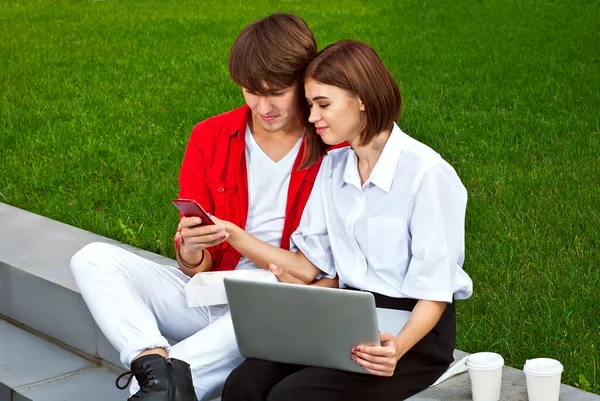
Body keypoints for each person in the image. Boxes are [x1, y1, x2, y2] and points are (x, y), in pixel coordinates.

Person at [69, 13, 334, 401]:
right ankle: (150, 357)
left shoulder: (332, 147)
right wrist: (191, 250)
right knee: (92, 258)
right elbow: (197, 266)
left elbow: (319, 270)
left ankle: (163, 380)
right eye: (250, 91)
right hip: (212, 291)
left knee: (159, 392)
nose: (263, 107)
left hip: (280, 298)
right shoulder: (209, 136)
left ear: (303, 81)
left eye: (276, 91)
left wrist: (240, 241)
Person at [213, 40, 473, 401]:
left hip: (412, 335)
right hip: (347, 319)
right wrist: (284, 304)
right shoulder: (334, 168)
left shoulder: (426, 174)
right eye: (309, 105)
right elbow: (316, 265)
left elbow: (434, 290)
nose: (312, 117)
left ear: (362, 98)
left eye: (323, 105)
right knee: (244, 382)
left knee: (293, 397)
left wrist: (396, 348)